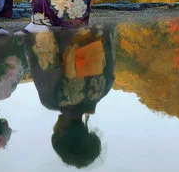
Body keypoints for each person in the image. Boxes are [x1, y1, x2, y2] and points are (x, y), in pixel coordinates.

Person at [24, 25, 115, 168]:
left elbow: (109, 43)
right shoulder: (51, 101)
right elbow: (38, 61)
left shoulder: (103, 90)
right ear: (60, 133)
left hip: (94, 24)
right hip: (59, 26)